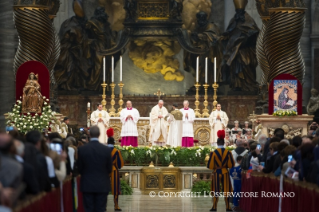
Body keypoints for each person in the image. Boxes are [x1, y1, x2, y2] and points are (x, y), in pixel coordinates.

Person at [77, 126, 113, 212]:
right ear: (100, 134)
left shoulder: (82, 149)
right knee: (101, 209)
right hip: (102, 185)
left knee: (89, 209)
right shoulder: (106, 150)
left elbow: (80, 168)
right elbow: (109, 169)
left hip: (87, 184)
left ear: (89, 134)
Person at [207, 130, 235, 211]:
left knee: (216, 189)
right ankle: (228, 207)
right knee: (226, 190)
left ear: (217, 143)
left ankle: (214, 207)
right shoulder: (228, 152)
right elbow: (231, 165)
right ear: (223, 143)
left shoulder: (214, 153)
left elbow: (210, 166)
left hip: (216, 172)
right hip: (225, 172)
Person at [106, 128, 124, 211]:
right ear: (114, 143)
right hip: (114, 170)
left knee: (104, 187)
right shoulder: (116, 151)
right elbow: (120, 165)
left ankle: (104, 205)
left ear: (107, 142)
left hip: (105, 171)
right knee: (116, 188)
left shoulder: (103, 150)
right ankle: (116, 205)